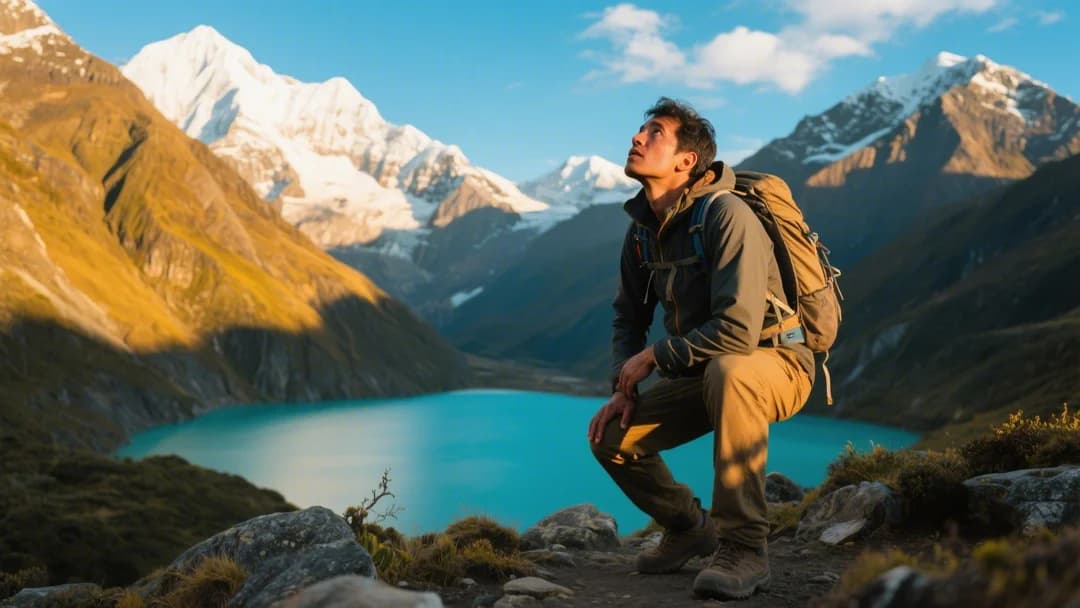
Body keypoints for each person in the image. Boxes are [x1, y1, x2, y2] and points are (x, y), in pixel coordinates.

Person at [587, 98, 814, 601]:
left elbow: (736, 330)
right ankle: (691, 528)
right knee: (610, 437)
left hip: (776, 361)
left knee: (730, 373)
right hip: (703, 369)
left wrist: (654, 358)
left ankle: (744, 549)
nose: (637, 138)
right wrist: (622, 386)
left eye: (655, 133)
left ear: (686, 161)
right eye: (639, 129)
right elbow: (629, 316)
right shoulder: (643, 232)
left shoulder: (725, 214)